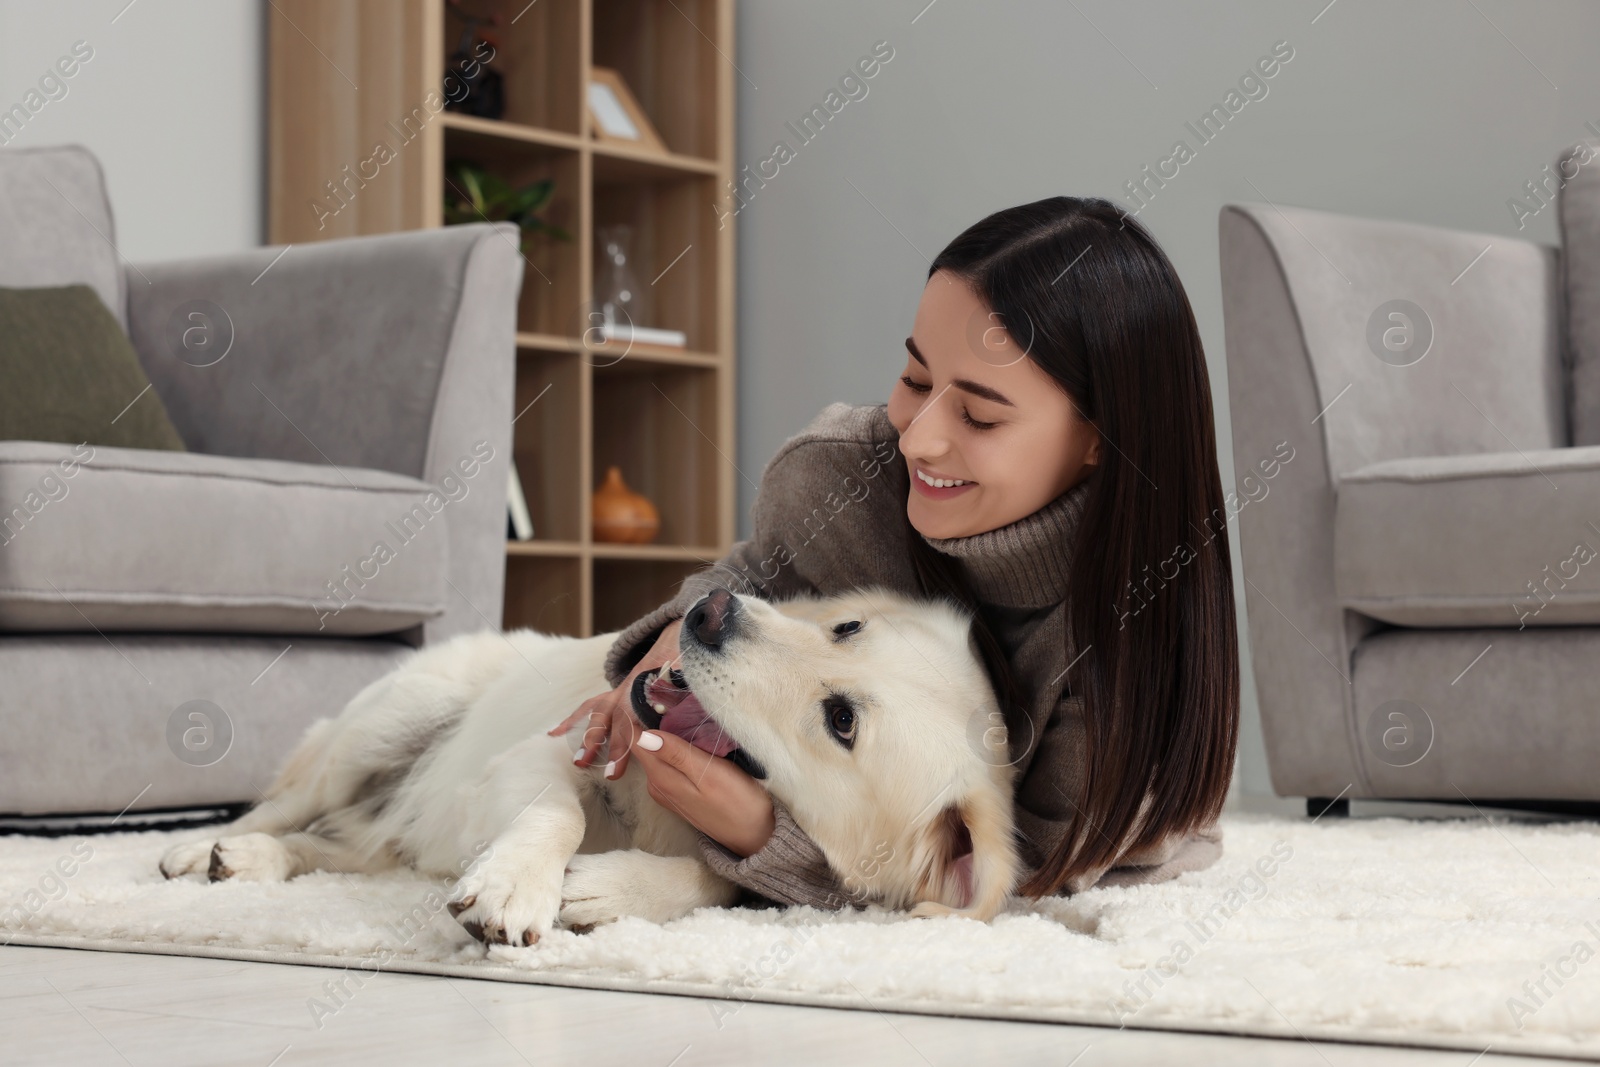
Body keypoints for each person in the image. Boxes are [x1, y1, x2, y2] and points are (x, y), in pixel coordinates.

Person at [550, 195, 1240, 909]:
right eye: (915, 379)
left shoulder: (1122, 656)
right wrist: (671, 641)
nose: (918, 438)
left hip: (1099, 838)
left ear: (1101, 439)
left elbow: (1000, 894)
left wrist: (763, 839)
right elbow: (757, 574)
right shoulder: (845, 477)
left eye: (977, 414)